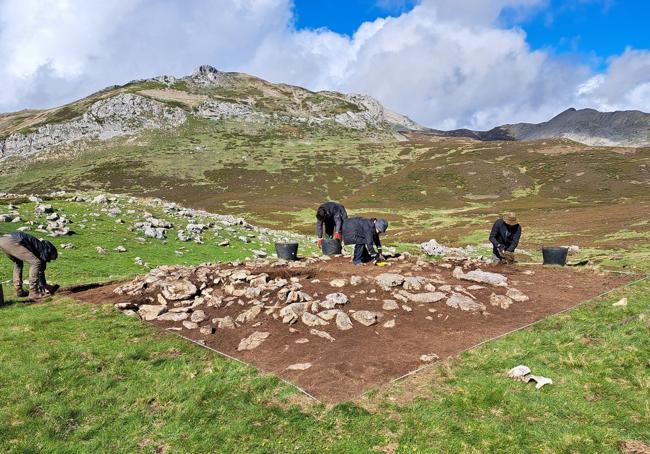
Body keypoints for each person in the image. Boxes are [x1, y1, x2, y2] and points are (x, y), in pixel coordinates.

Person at [0, 231, 59, 299]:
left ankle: (18, 290)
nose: (50, 260)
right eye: (51, 258)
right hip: (12, 240)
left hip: (3, 240)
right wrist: (44, 285)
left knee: (18, 262)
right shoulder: (43, 250)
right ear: (50, 252)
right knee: (36, 262)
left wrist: (45, 285)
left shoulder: (40, 247)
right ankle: (33, 292)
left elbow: (40, 270)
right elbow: (40, 268)